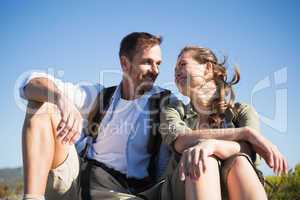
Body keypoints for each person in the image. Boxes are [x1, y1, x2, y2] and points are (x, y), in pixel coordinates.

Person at [20, 32, 194, 200]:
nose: (155, 70)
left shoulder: (165, 102)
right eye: (147, 62)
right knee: (42, 103)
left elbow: (185, 132)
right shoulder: (100, 95)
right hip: (75, 182)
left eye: (158, 63)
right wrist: (60, 100)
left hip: (122, 193)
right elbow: (30, 82)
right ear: (125, 63)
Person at [159, 46, 288, 200]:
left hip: (237, 182)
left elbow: (250, 151)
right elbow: (179, 140)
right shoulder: (173, 109)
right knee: (203, 160)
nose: (176, 72)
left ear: (207, 68)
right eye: (174, 69)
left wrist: (212, 145)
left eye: (182, 64)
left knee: (240, 160)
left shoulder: (242, 111)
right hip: (182, 187)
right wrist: (245, 133)